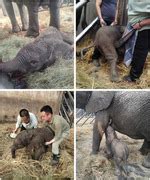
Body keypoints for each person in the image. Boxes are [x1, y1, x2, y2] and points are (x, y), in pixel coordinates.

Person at [123, 0, 150, 82]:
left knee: (140, 53)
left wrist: (140, 24)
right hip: (135, 27)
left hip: (143, 29)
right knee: (136, 50)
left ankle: (134, 77)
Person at [92, 0, 118, 66]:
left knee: (111, 40)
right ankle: (95, 57)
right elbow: (97, 4)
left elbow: (118, 7)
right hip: (104, 20)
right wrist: (100, 19)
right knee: (99, 40)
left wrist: (116, 19)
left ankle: (106, 57)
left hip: (113, 22)